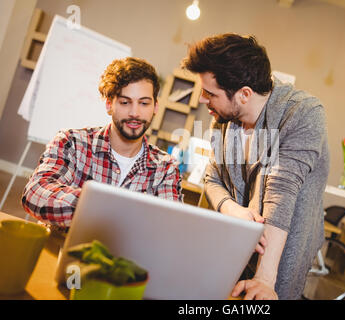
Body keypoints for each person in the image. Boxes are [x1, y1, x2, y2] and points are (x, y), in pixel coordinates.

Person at [182, 33, 329, 300]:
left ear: (244, 94)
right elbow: (212, 177)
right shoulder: (226, 119)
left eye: (209, 93)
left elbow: (281, 192)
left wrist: (264, 278)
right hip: (229, 247)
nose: (202, 99)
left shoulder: (302, 113)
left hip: (278, 256)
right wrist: (232, 209)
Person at [22, 57, 182, 230]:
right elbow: (35, 192)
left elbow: (169, 227)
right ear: (109, 104)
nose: (135, 112)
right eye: (125, 102)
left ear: (155, 107)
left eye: (144, 103)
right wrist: (110, 210)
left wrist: (93, 210)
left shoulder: (166, 168)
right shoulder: (72, 142)